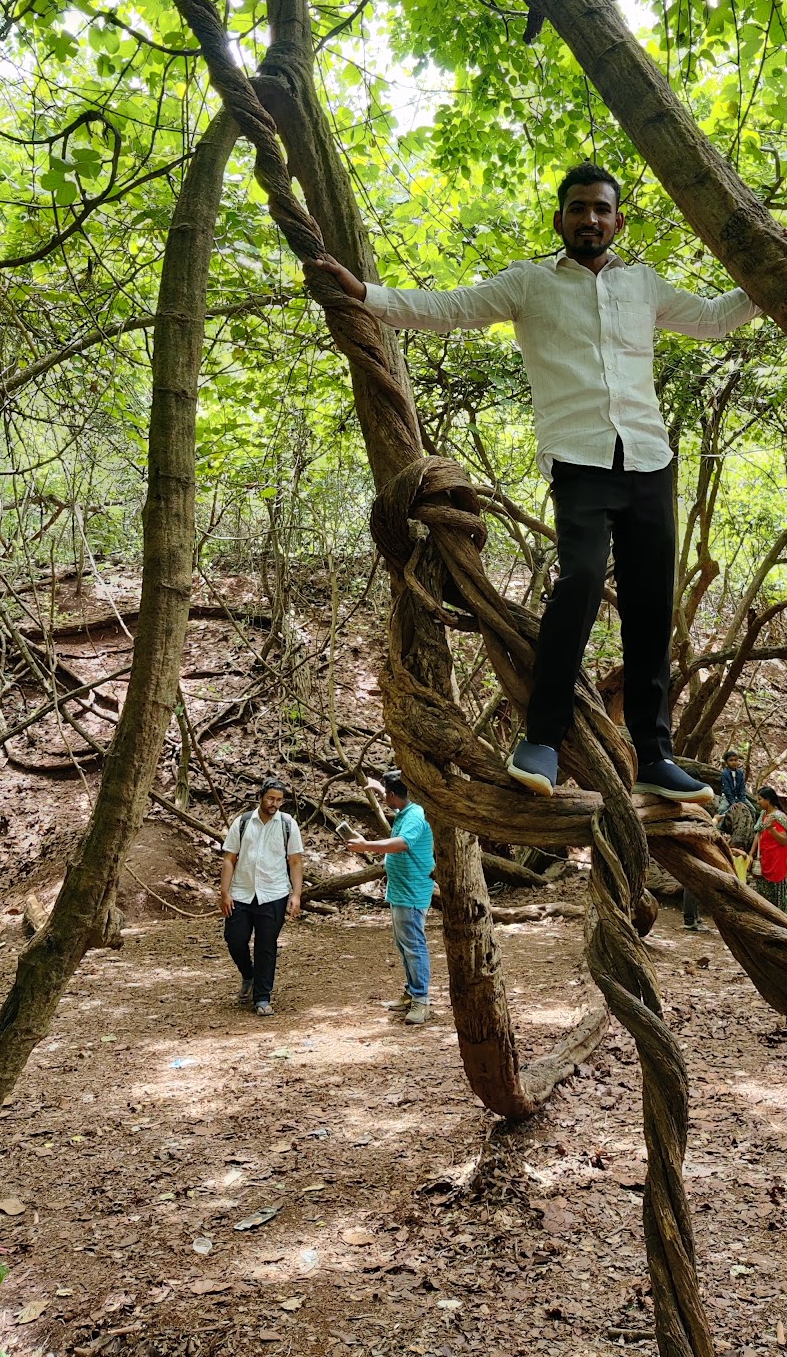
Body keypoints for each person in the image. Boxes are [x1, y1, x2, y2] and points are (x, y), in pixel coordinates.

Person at [321, 164, 758, 805]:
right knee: (579, 579)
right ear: (560, 219)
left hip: (648, 459)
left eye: (602, 210)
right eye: (578, 209)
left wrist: (771, 279)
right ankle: (543, 738)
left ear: (618, 220)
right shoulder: (530, 284)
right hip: (579, 459)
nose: (590, 219)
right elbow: (451, 310)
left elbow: (716, 320)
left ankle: (654, 755)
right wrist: (364, 293)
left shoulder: (644, 286)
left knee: (650, 608)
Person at [344, 770, 436, 1025]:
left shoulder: (415, 816)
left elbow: (402, 843)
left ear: (394, 795)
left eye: (387, 794)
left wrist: (366, 846)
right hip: (401, 890)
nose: (385, 798)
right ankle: (411, 993)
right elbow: (395, 801)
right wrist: (377, 787)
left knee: (414, 946)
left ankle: (421, 1000)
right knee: (404, 945)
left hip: (413, 891)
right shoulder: (405, 810)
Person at [221, 778, 303, 1017]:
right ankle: (249, 974)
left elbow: (295, 861)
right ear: (260, 797)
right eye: (270, 798)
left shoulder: (288, 824)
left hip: (274, 893)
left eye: (279, 800)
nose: (274, 804)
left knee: (266, 946)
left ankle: (262, 997)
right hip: (241, 892)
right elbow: (229, 859)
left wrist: (296, 895)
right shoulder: (243, 822)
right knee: (234, 939)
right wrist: (224, 892)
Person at [749, 785, 787, 916]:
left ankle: (782, 918)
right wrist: (751, 854)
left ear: (768, 800)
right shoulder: (763, 814)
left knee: (779, 893)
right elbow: (758, 834)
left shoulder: (779, 817)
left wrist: (772, 829)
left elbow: (783, 841)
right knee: (764, 890)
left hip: (778, 860)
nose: (757, 802)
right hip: (765, 858)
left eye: (760, 799)